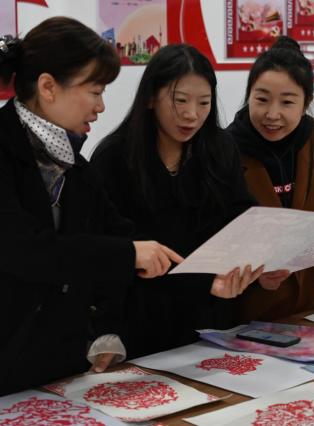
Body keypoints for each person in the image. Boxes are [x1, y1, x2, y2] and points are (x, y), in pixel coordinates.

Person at [0, 17, 182, 423]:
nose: (101, 106)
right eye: (95, 91)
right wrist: (129, 254)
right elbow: (26, 250)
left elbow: (121, 235)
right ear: (48, 87)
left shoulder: (73, 164)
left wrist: (205, 271)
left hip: (39, 369)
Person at [91, 44, 273, 357]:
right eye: (180, 100)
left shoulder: (219, 148)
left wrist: (264, 252)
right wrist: (104, 333)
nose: (192, 114)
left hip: (210, 318)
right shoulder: (115, 157)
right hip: (140, 321)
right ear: (151, 97)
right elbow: (110, 249)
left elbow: (239, 214)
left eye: (204, 103)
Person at [227, 36, 314, 322]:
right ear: (248, 95)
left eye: (287, 102)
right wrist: (253, 277)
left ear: (306, 103)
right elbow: (216, 233)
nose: (272, 114)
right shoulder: (225, 150)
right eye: (261, 99)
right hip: (255, 312)